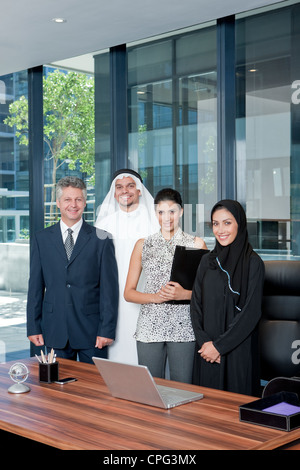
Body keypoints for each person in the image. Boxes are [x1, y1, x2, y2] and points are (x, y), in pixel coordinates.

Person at [27, 176, 119, 364]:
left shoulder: (102, 239)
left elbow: (110, 291)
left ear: (85, 203)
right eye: (68, 199)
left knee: (94, 389)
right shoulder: (41, 239)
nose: (73, 204)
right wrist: (33, 326)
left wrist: (106, 330)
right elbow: (35, 287)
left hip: (92, 332)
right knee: (57, 389)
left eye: (78, 199)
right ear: (59, 203)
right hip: (54, 329)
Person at [124, 188, 207, 383]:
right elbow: (128, 293)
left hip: (184, 326)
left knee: (182, 386)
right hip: (149, 326)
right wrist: (156, 297)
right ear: (155, 213)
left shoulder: (196, 244)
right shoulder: (143, 244)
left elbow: (206, 292)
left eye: (172, 211)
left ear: (181, 212)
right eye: (161, 212)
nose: (166, 217)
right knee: (150, 388)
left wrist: (184, 294)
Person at [190, 199, 265, 396]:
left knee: (236, 414)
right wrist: (206, 344)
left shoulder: (253, 263)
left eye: (227, 222)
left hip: (237, 352)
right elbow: (195, 305)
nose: (220, 229)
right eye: (215, 223)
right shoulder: (207, 261)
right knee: (205, 413)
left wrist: (219, 347)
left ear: (239, 224)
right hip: (205, 352)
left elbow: (251, 313)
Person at [95, 169, 159, 364]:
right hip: (113, 300)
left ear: (139, 190)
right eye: (119, 187)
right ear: (114, 193)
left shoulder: (156, 222)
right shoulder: (103, 224)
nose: (125, 191)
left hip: (149, 298)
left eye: (131, 186)